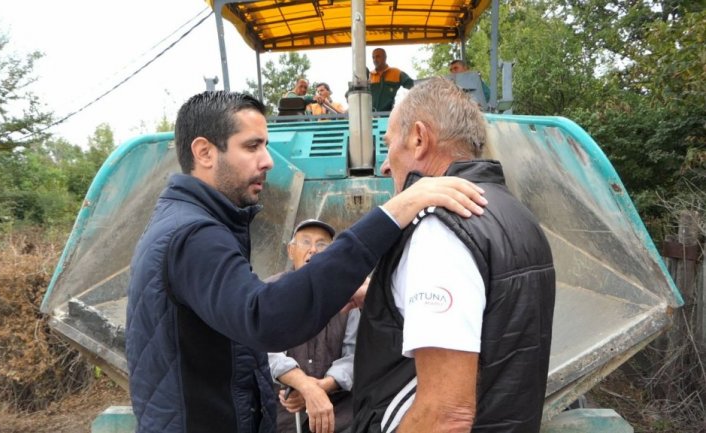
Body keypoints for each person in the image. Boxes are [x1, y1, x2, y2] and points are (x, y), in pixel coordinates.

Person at [125, 90, 488, 433]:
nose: (268, 160)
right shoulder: (193, 236)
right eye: (251, 146)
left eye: (265, 145)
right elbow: (265, 317)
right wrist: (393, 213)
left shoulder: (191, 225)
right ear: (205, 152)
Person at [351, 77, 556, 433]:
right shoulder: (515, 213)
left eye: (388, 143)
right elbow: (493, 322)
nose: (385, 165)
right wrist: (384, 298)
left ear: (419, 138)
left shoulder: (441, 228)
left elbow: (446, 416)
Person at [268, 219, 358, 433]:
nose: (313, 250)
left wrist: (321, 388)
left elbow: (354, 355)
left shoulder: (350, 295)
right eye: (305, 242)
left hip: (338, 417)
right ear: (291, 251)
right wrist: (304, 386)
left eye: (322, 244)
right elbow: (267, 352)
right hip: (283, 416)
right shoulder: (270, 291)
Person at [369, 48, 414, 112]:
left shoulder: (396, 73)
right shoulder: (370, 76)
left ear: (385, 57)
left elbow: (412, 85)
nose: (375, 60)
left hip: (388, 114)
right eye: (373, 57)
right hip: (370, 115)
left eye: (378, 56)